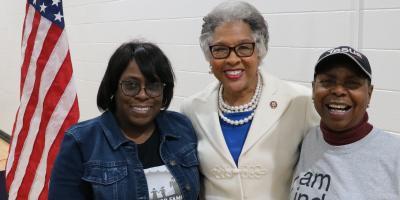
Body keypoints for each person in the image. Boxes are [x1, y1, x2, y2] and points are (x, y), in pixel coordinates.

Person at [180, 1, 319, 199]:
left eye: (244, 47)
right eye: (220, 49)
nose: (232, 59)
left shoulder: (300, 102)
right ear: (209, 56)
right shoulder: (191, 109)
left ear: (260, 50)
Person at [49, 41, 200, 200]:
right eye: (131, 85)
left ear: (164, 90)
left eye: (153, 85)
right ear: (113, 88)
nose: (142, 95)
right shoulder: (81, 141)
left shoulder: (181, 127)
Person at [290, 46, 400, 199]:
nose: (338, 91)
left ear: (369, 93)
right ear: (314, 88)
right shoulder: (307, 140)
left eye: (352, 83)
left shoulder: (394, 156)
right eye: (327, 81)